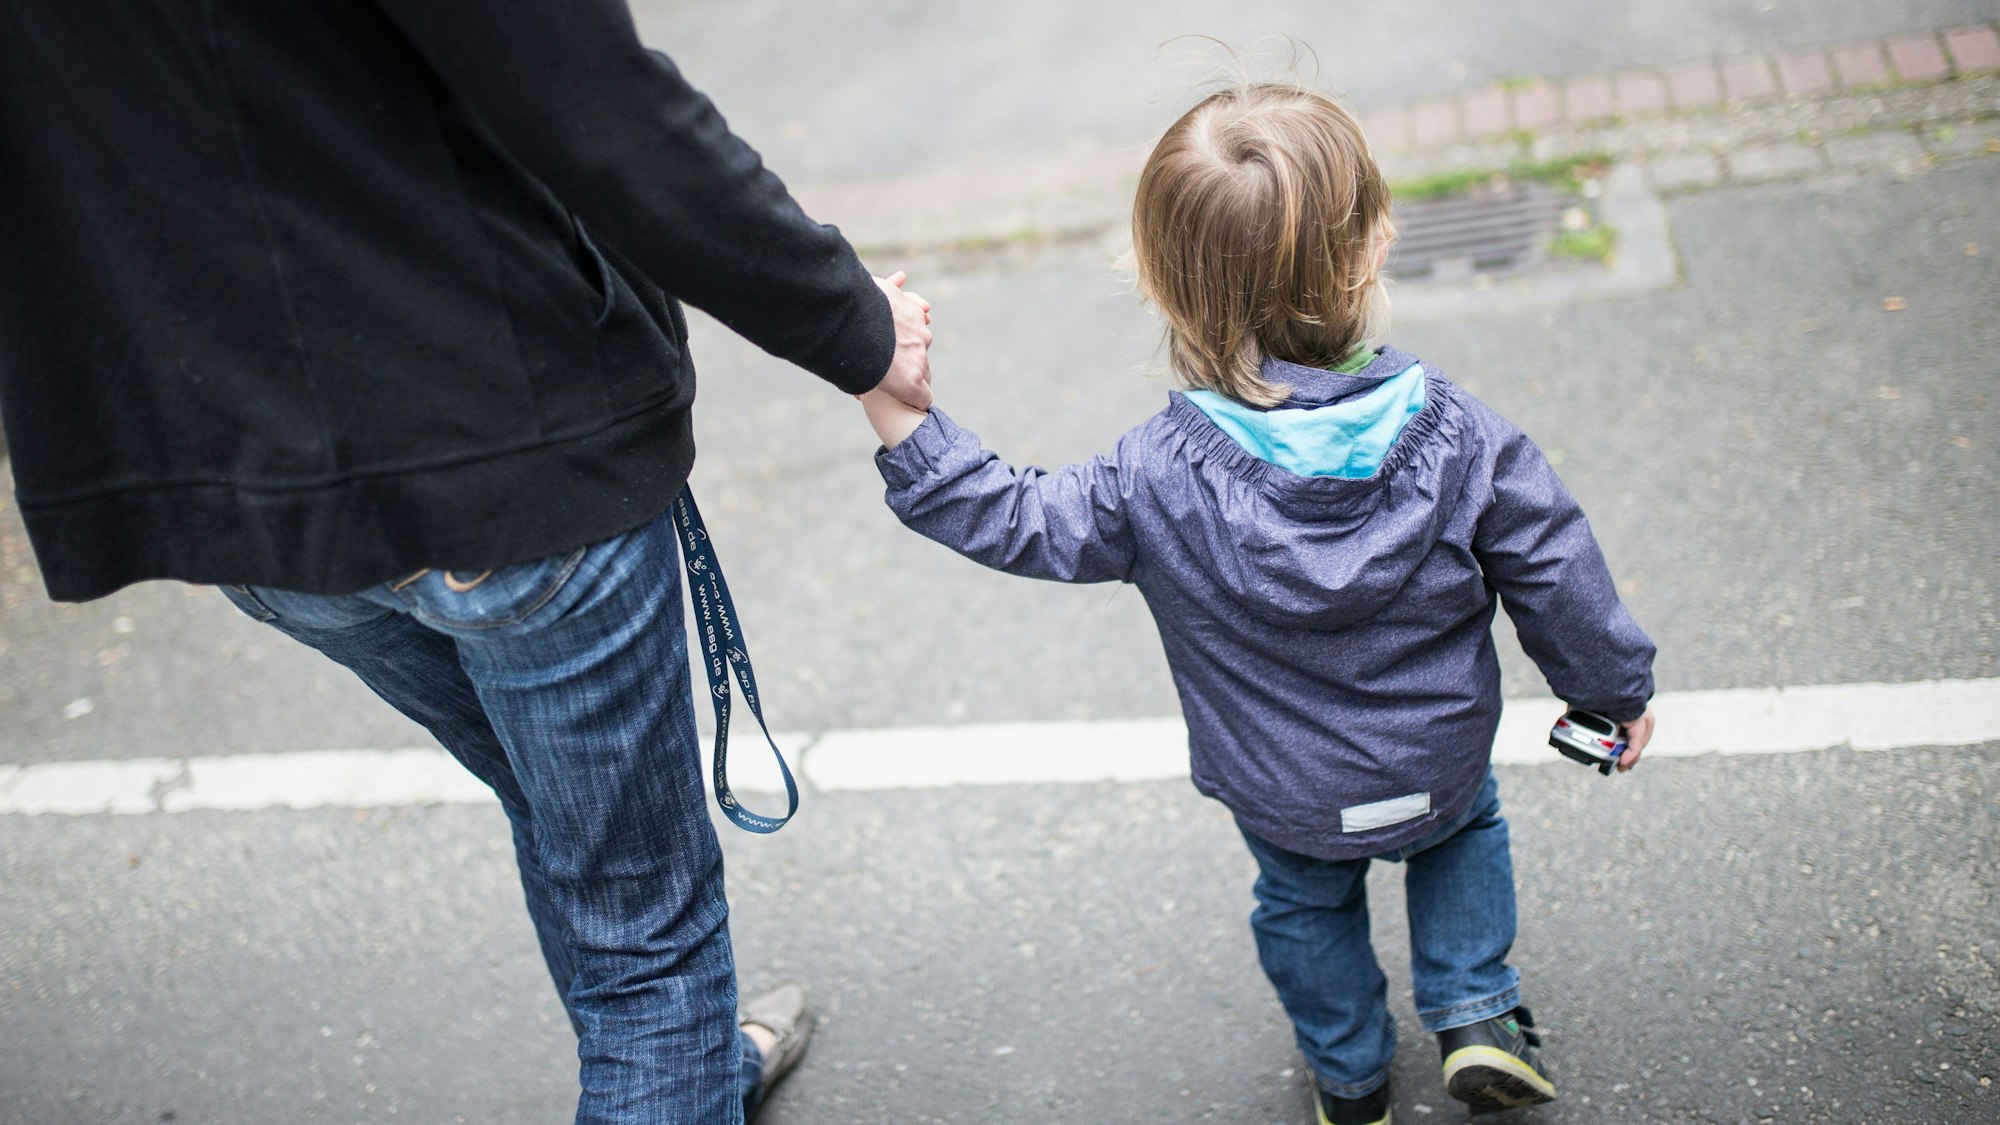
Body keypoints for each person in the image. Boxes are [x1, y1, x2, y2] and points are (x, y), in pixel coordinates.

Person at [0, 2, 933, 1122]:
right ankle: (672, 1068)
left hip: (242, 486)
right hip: (499, 444)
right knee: (644, 944)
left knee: (568, 823)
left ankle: (687, 1069)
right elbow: (602, 110)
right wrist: (850, 323)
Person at [856, 81, 1657, 1124]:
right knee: (1462, 838)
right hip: (1436, 761)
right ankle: (1472, 1009)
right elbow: (1555, 568)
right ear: (1371, 249)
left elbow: (1014, 517)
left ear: (1159, 282)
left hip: (1280, 788)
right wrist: (1611, 691)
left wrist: (889, 395)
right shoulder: (1462, 435)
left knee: (1299, 904)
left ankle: (1350, 1075)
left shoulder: (1153, 474)